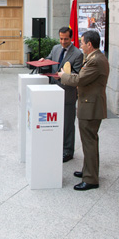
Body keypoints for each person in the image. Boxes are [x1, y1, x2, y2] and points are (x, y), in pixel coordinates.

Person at [58, 30, 109, 191]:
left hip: (91, 107)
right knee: (89, 142)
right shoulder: (94, 58)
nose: (80, 45)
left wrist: (63, 75)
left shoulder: (96, 61)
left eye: (82, 43)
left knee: (89, 143)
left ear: (89, 44)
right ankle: (88, 171)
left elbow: (79, 79)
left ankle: (91, 179)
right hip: (89, 105)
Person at [40, 26, 83, 163]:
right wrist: (42, 61)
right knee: (56, 122)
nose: (63, 41)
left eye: (66, 39)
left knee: (68, 124)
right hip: (53, 91)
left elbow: (76, 75)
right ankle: (57, 146)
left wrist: (63, 77)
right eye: (61, 38)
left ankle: (68, 151)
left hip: (67, 93)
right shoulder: (55, 48)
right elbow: (50, 60)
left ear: (71, 38)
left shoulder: (77, 54)